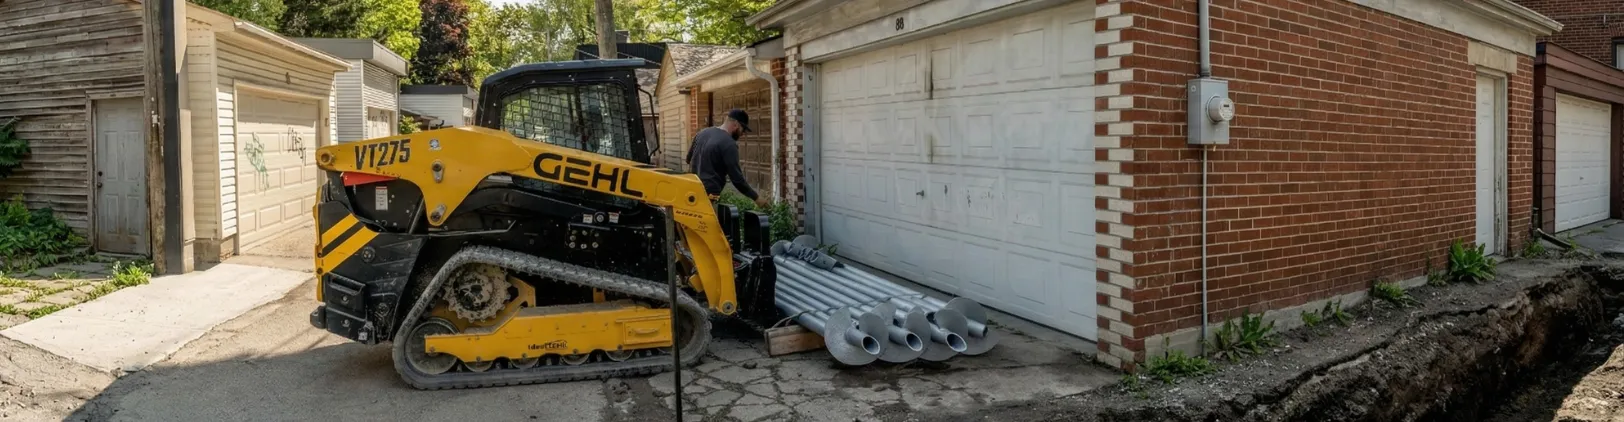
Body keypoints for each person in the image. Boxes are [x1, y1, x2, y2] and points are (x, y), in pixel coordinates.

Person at [687, 109, 769, 208]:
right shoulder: (729, 144)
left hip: (691, 191)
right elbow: (737, 179)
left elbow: (688, 159)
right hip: (709, 196)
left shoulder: (702, 133)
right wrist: (757, 198)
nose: (742, 134)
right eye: (743, 129)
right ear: (736, 125)